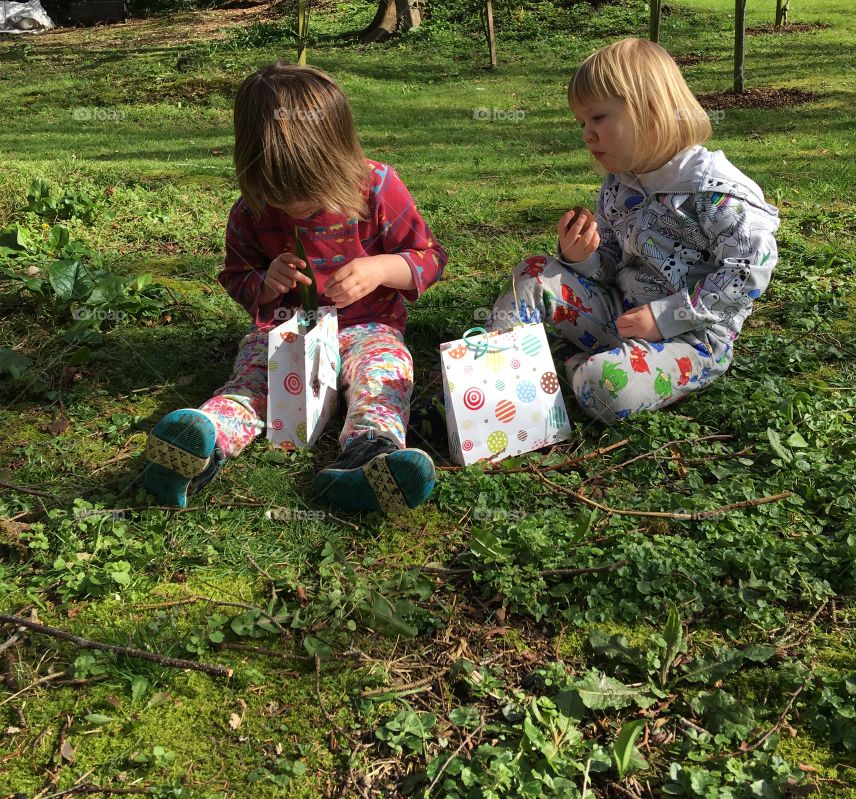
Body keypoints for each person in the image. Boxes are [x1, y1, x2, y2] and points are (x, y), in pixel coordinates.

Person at [142, 61, 447, 512]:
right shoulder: (251, 210)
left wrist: (381, 268)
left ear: (339, 160)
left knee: (381, 379)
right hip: (286, 330)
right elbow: (235, 274)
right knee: (251, 385)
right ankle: (198, 447)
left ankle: (370, 457)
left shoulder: (378, 187)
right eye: (282, 196)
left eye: (312, 194)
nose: (297, 209)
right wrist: (266, 284)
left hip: (370, 329)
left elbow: (429, 257)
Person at [486, 37, 779, 425]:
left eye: (598, 118)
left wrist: (666, 318)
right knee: (534, 272)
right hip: (617, 316)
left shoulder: (715, 191)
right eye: (582, 123)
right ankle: (492, 378)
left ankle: (569, 365)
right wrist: (583, 257)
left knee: (607, 386)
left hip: (690, 340)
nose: (587, 134)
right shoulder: (619, 184)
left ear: (650, 110)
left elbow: (747, 272)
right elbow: (608, 264)